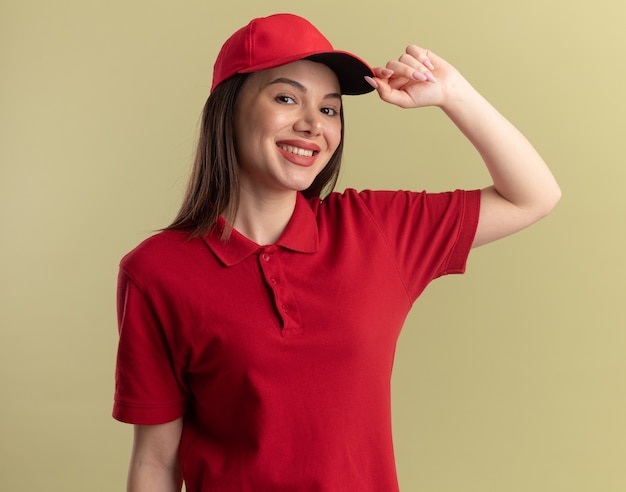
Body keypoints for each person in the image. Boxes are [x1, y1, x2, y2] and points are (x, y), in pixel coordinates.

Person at [113, 13, 560, 492]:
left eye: (330, 110)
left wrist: (455, 95)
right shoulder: (156, 271)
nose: (312, 125)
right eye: (286, 98)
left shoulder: (376, 230)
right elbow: (156, 463)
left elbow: (533, 195)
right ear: (228, 109)